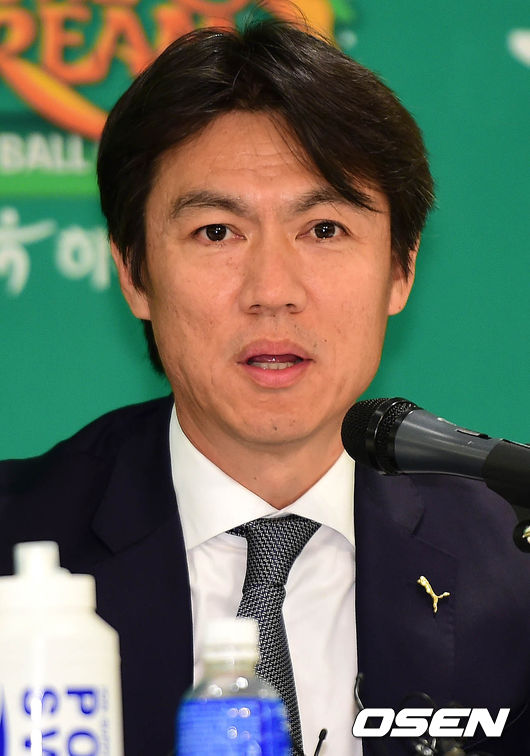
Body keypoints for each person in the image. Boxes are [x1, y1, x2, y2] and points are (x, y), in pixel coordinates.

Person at [2, 19, 530, 756]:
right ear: (134, 273)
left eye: (324, 229)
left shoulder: (512, 563)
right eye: (218, 232)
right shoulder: (16, 537)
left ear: (401, 269)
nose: (273, 291)